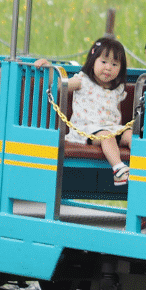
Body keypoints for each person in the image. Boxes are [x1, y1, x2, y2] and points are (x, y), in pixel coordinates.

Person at [41, 37, 132, 185]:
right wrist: (48, 69)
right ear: (92, 61)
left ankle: (145, 169)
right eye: (103, 62)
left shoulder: (118, 88)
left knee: (130, 135)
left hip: (111, 128)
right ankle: (118, 170)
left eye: (114, 64)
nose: (108, 67)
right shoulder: (83, 81)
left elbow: (117, 114)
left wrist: (122, 131)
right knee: (106, 136)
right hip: (87, 130)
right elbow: (60, 86)